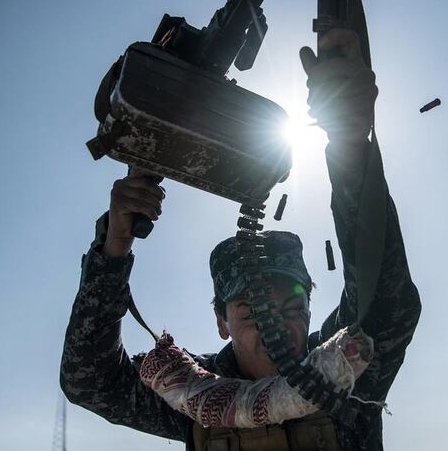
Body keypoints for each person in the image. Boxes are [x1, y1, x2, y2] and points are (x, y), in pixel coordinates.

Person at [61, 29, 421, 450]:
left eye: (290, 307)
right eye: (252, 314)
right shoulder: (193, 392)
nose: (276, 330)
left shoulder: (343, 367)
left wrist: (349, 145)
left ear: (310, 310)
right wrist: (114, 248)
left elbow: (386, 300)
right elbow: (90, 379)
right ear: (221, 322)